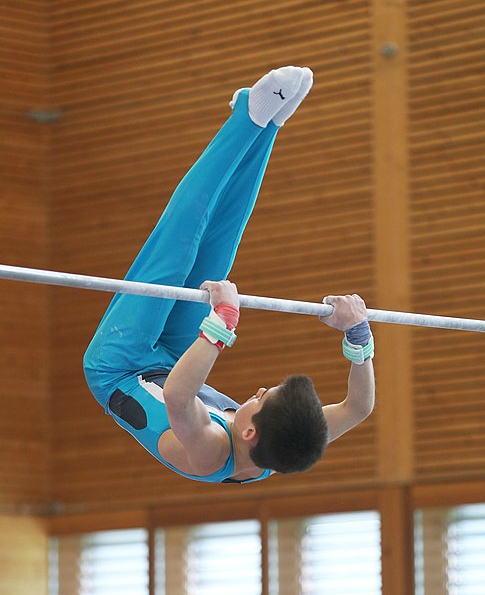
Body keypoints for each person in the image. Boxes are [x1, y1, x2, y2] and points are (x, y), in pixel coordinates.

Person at [83, 66, 375, 484]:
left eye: (261, 398)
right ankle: (267, 126)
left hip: (119, 365)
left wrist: (222, 324)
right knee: (222, 237)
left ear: (249, 431)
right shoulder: (288, 442)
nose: (255, 392)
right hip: (174, 357)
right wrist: (358, 336)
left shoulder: (209, 453)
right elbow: (357, 408)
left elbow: (178, 395)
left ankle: (245, 120)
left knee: (178, 242)